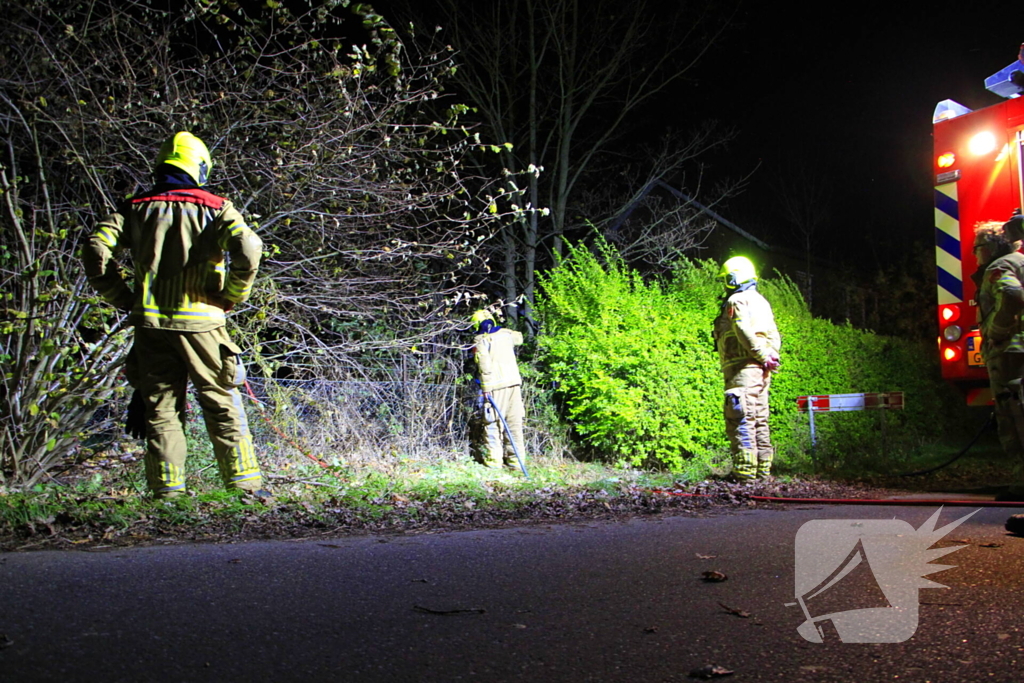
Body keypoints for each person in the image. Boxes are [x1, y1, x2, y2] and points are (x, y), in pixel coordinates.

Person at [82, 131, 268, 499]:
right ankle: (246, 490)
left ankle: (168, 494)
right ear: (199, 166)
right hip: (203, 324)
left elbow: (95, 247)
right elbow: (249, 247)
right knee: (221, 402)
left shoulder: (134, 206)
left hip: (152, 326)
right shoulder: (217, 206)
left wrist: (123, 297)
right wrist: (232, 295)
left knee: (161, 410)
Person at [712, 256, 781, 481]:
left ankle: (743, 472)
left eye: (727, 279)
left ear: (734, 277)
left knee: (740, 415)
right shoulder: (761, 301)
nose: (725, 284)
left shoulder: (737, 301)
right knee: (759, 417)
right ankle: (762, 471)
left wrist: (759, 354)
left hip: (743, 368)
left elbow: (741, 329)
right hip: (761, 369)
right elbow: (773, 334)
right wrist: (770, 357)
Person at [972, 220, 1024, 501]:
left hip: (1010, 352)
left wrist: (997, 330)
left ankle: (1022, 482)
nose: (975, 254)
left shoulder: (998, 267)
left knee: (1013, 414)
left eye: (976, 248)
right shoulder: (1021, 262)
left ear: (991, 246)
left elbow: (1014, 295)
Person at [468, 309, 526, 471]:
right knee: (514, 423)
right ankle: (516, 462)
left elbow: (484, 364)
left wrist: (486, 387)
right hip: (514, 384)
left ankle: (494, 462)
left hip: (495, 386)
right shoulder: (507, 335)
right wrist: (503, 329)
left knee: (492, 422)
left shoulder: (480, 341)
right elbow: (519, 338)